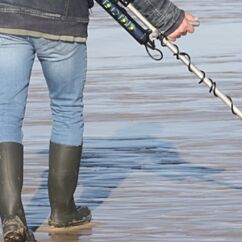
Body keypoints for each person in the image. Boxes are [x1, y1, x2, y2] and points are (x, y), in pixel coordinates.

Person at [0, 0, 198, 241]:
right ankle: (63, 211)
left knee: (6, 114)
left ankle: (12, 219)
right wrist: (170, 19)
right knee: (66, 109)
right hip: (63, 21)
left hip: (7, 19)